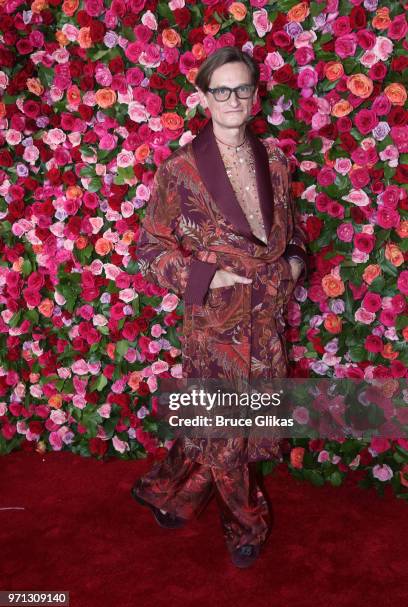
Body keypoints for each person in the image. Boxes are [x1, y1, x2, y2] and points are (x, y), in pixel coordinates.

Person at [131, 46, 308, 568]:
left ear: (255, 96)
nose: (233, 99)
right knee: (233, 425)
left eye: (243, 89)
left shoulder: (275, 161)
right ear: (203, 97)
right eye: (222, 90)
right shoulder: (180, 169)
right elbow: (150, 247)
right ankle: (246, 525)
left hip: (267, 316)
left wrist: (294, 265)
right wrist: (205, 276)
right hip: (216, 320)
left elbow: (292, 232)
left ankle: (170, 491)